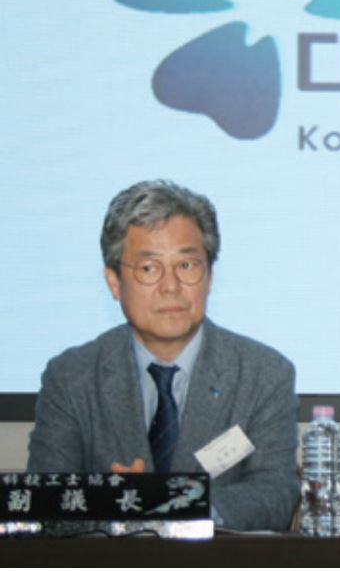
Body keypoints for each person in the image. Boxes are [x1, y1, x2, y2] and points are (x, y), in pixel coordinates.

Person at [27, 180, 299, 531]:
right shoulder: (71, 378)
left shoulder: (263, 374)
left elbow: (275, 496)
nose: (171, 286)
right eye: (149, 268)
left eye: (187, 265)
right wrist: (119, 505)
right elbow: (44, 503)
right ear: (114, 282)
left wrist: (172, 503)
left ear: (209, 277)